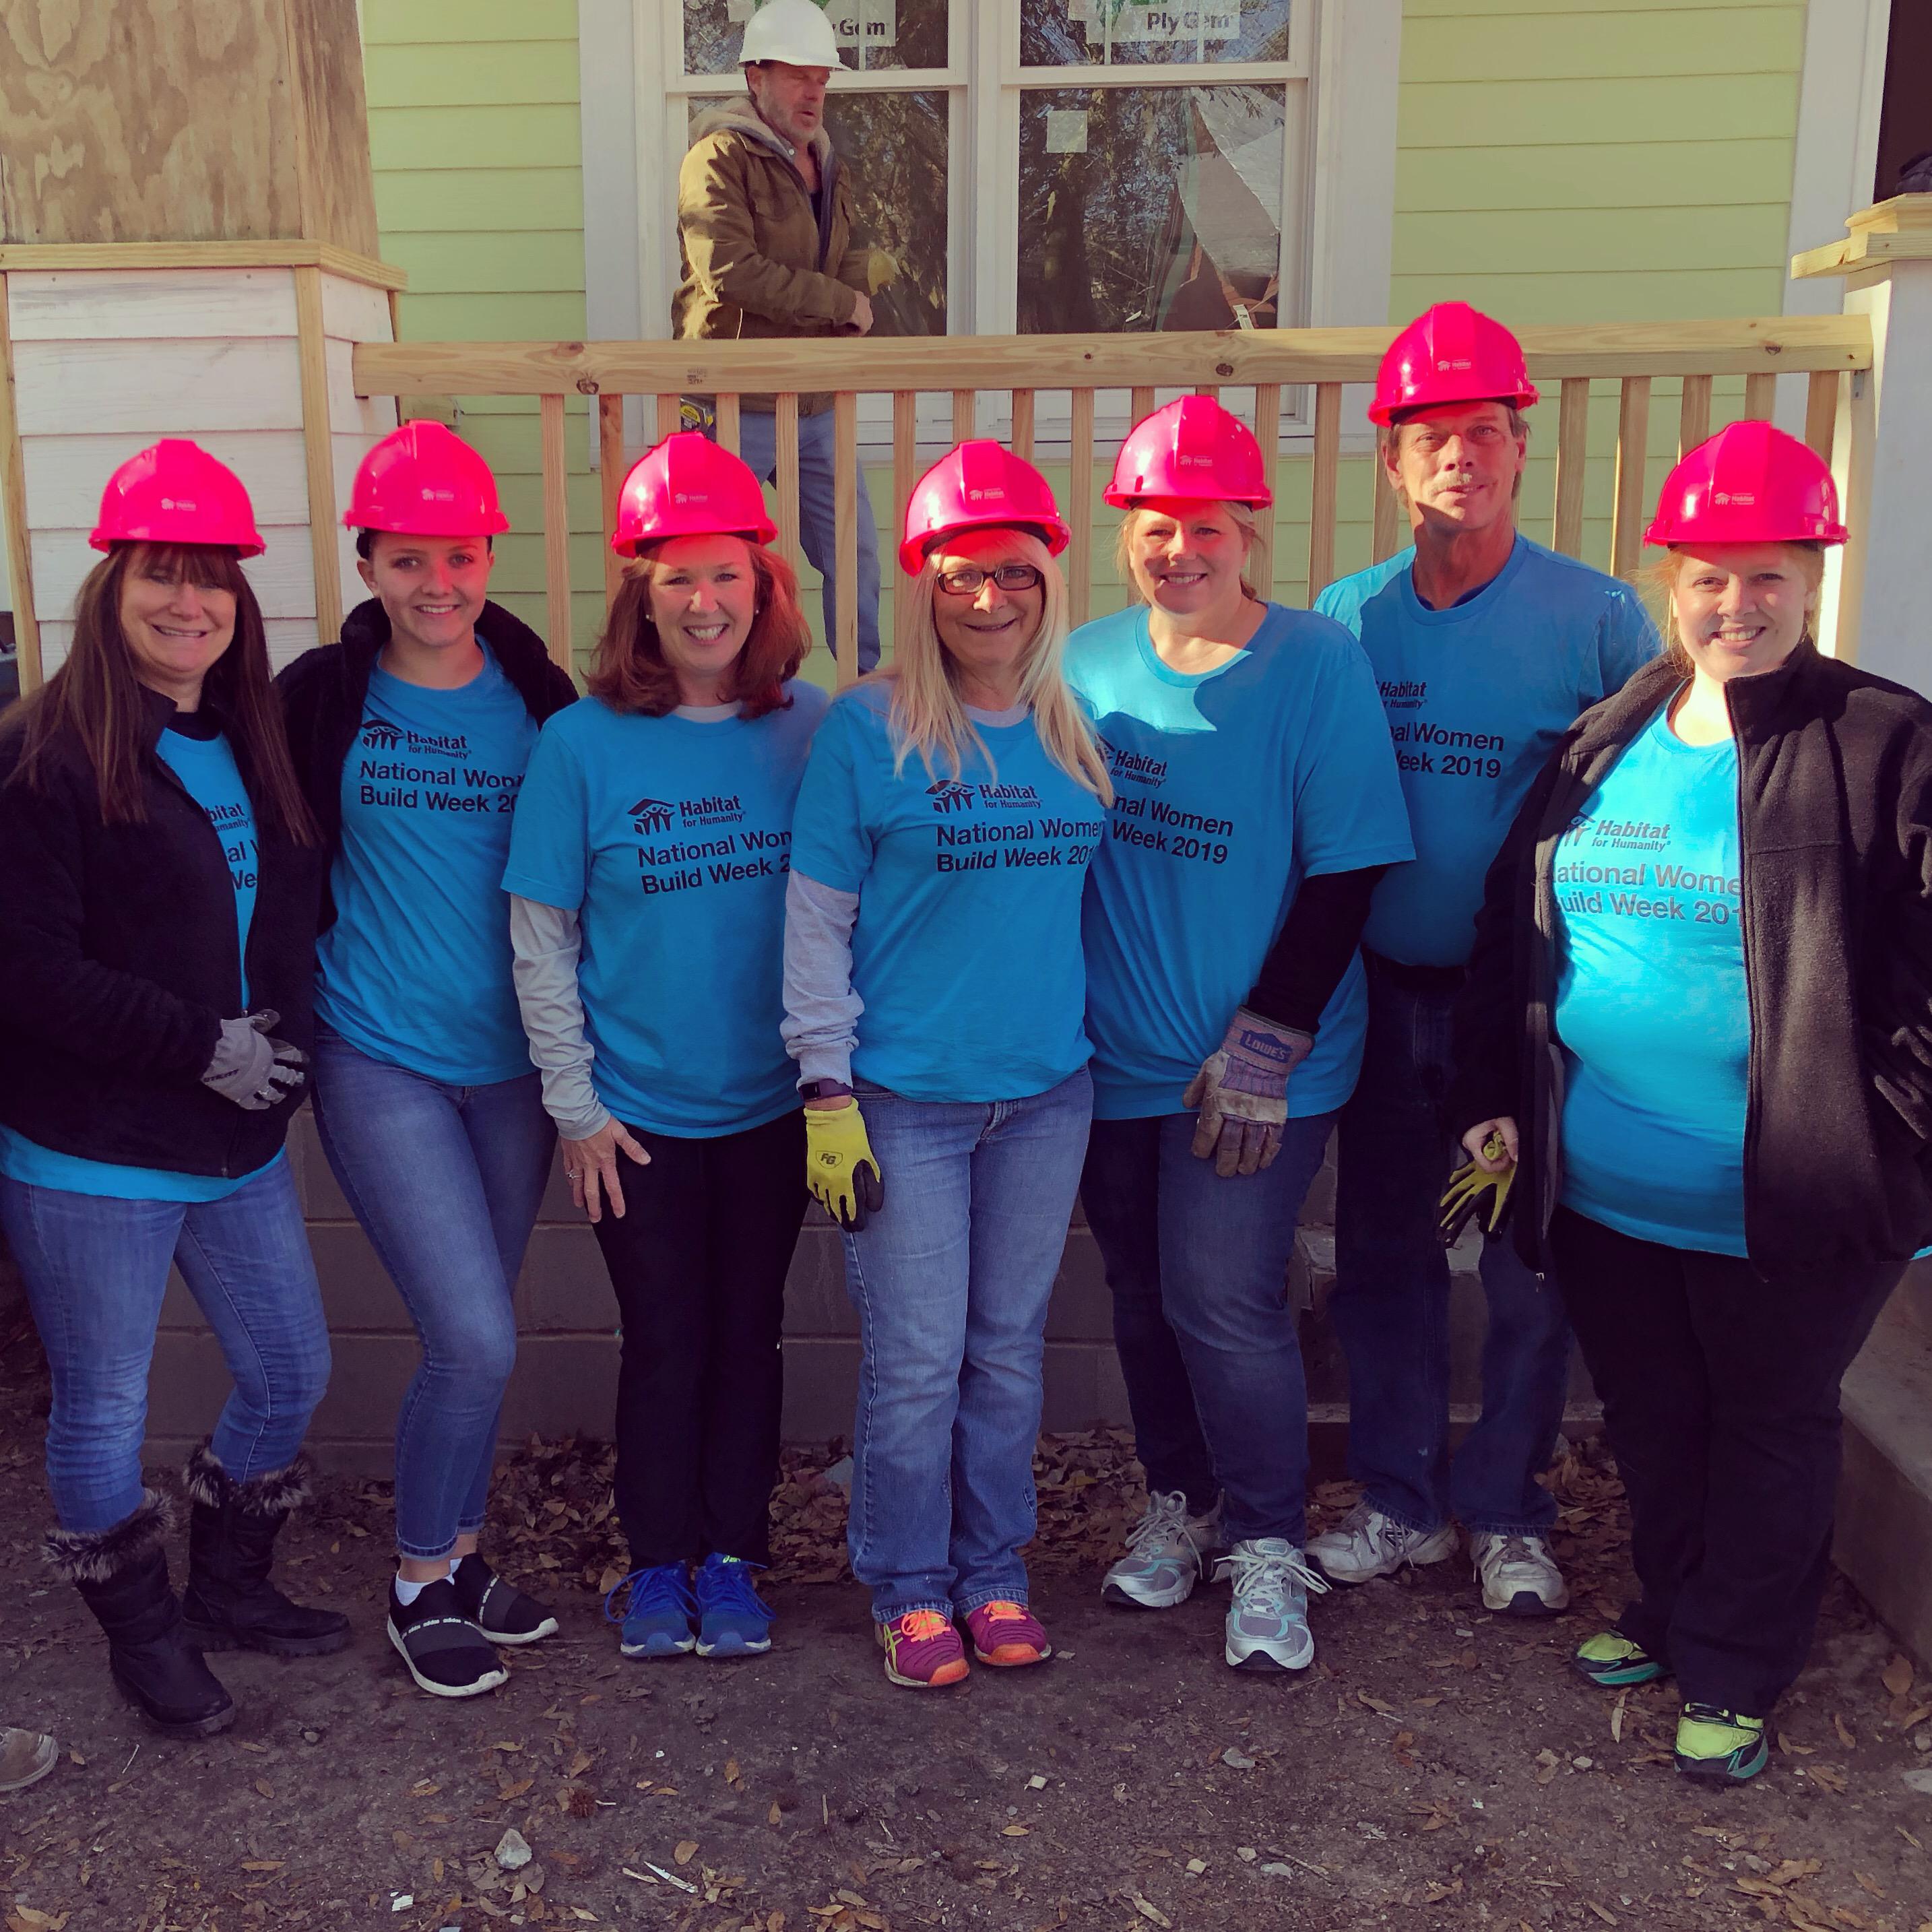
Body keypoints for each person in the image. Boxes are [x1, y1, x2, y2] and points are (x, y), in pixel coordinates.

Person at [1450, 420, 1929, 1782]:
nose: (1739, 602)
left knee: (1768, 1423)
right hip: (1605, 1186)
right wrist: (1492, 1092)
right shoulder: (1610, 735)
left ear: (1815, 574)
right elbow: (1516, 926)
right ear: (1672, 579)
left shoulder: (1884, 741)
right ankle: (1669, 1609)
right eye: (1712, 576)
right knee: (1654, 1417)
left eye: (1770, 573)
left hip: (1788, 1195)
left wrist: (1889, 1121)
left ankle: (1734, 1664)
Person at [1309, 302, 1658, 1616]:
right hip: (1382, 998)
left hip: (1525, 1011)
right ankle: (1401, 1502)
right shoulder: (1347, 619)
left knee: (1526, 1268)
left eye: (1483, 430)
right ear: (1391, 460)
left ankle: (1507, 1508)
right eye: (1430, 435)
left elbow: (1656, 795)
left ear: (1522, 446)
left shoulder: (1598, 620)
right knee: (1386, 1257)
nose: (1459, 454)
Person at [0, 442, 342, 1738]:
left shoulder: (242, 739)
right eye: (161, 575)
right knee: (105, 1404)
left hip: (234, 1143)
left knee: (289, 1368)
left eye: (212, 582)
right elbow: (26, 967)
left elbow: (291, 912)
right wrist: (197, 1040)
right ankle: (142, 1640)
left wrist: (281, 1043)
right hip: (95, 1152)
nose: (188, 604)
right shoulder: (42, 755)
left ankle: (230, 1590)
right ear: (113, 583)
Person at [1066, 397, 1413, 1673]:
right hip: (1112, 1056)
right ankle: (1185, 1499)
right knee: (1140, 1291)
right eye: (1155, 527)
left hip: (1262, 1062)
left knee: (1221, 1294)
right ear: (1127, 534)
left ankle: (1268, 1538)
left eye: (1203, 526)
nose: (1178, 550)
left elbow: (1347, 871)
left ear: (1244, 531)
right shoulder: (1086, 663)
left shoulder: (1314, 664)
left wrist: (1263, 1044)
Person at [783, 442, 1110, 1688]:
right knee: (915, 1359)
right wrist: (825, 1088)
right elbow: (813, 918)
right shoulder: (865, 730)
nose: (989, 599)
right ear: (924, 583)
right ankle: (908, 1585)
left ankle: (994, 1569)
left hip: (1045, 1092)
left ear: (1046, 582)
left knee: (1005, 1349)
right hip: (904, 1102)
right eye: (962, 575)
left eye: (1014, 575)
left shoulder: (1076, 724)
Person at [504, 432, 825, 1664]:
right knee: (664, 1338)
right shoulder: (582, 744)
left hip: (772, 1104)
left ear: (762, 588)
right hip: (632, 1112)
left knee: (750, 1334)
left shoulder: (810, 730)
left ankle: (734, 1556)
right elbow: (542, 936)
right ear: (642, 593)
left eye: (726, 575)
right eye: (677, 577)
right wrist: (574, 1107)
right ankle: (654, 1565)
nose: (704, 601)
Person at [278, 421, 577, 1700]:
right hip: (377, 1049)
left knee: (485, 1331)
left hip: (509, 1065)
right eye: (409, 559)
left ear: (487, 555)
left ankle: (457, 1556)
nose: (437, 584)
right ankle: (415, 1581)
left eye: (458, 556)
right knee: (472, 1332)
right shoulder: (319, 697)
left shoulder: (542, 700)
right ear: (369, 562)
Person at [673, 0, 882, 673]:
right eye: (798, 76)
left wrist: (855, 301)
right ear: (755, 75)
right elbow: (728, 270)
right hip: (729, 401)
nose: (814, 91)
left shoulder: (829, 163)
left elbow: (849, 254)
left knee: (855, 557)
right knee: (712, 566)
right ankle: (711, 695)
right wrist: (838, 303)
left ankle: (860, 696)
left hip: (815, 402)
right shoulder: (717, 156)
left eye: (822, 78)